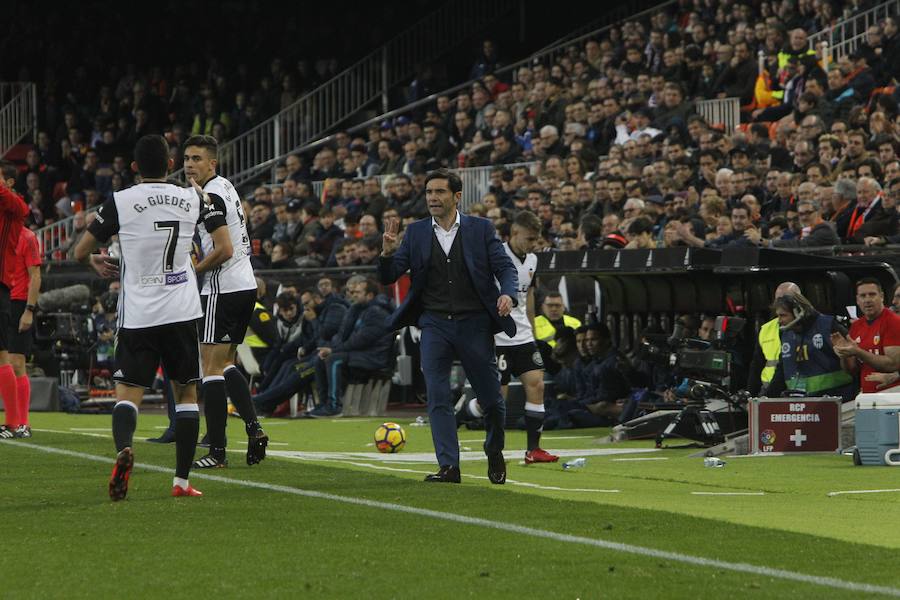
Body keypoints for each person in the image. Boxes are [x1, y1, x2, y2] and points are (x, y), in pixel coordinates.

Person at [74, 134, 206, 499]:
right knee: (187, 395)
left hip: (139, 314)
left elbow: (79, 250)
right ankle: (181, 481)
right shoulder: (190, 197)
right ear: (170, 163)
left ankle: (124, 449)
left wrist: (92, 259)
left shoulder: (121, 200)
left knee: (127, 395)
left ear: (133, 168)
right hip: (181, 309)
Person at [378, 168, 518, 484]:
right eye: (429, 193)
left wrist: (508, 293)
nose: (433, 198)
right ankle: (449, 466)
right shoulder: (414, 233)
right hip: (434, 323)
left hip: (474, 324)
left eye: (439, 192)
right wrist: (387, 253)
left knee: (492, 400)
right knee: (438, 394)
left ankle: (494, 450)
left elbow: (505, 267)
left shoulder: (481, 229)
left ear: (456, 196)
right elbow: (390, 275)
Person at [182, 134, 268, 470]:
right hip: (244, 284)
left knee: (210, 368)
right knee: (227, 362)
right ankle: (253, 427)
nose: (190, 164)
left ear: (212, 163)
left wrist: (196, 272)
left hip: (223, 286)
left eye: (197, 159)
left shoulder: (210, 195)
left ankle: (217, 451)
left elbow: (224, 248)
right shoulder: (227, 186)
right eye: (187, 158)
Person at [457, 211, 559, 464]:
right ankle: (461, 416)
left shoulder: (533, 260)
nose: (533, 244)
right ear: (514, 234)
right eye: (530, 238)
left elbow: (529, 296)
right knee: (494, 399)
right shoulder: (495, 256)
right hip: (498, 336)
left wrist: (533, 331)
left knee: (537, 384)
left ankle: (533, 450)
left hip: (523, 335)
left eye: (536, 239)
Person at [766, 293, 856, 403]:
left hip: (838, 401)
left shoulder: (828, 326)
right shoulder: (786, 334)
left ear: (798, 312)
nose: (779, 321)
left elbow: (852, 363)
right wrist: (765, 398)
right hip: (803, 405)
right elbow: (782, 369)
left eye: (783, 315)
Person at [0, 164, 29, 438]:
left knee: (5, 358)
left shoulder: (15, 208)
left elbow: (37, 275)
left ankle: (12, 423)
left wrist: (30, 308)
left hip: (4, 290)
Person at [832, 278, 900, 394]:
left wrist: (858, 352)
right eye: (863, 296)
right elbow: (852, 369)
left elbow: (892, 364)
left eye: (872, 294)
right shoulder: (856, 326)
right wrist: (844, 354)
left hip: (892, 395)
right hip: (867, 396)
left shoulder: (893, 321)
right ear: (857, 300)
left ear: (882, 296)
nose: (867, 300)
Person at [4, 224, 41, 437]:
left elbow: (35, 276)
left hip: (18, 303)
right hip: (3, 301)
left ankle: (22, 423)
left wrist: (29, 310)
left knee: (17, 363)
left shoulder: (27, 237)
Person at [747, 281, 801, 396]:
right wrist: (750, 395)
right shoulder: (766, 329)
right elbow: (756, 366)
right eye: (778, 300)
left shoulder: (808, 329)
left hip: (797, 391)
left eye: (786, 300)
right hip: (768, 391)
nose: (781, 304)